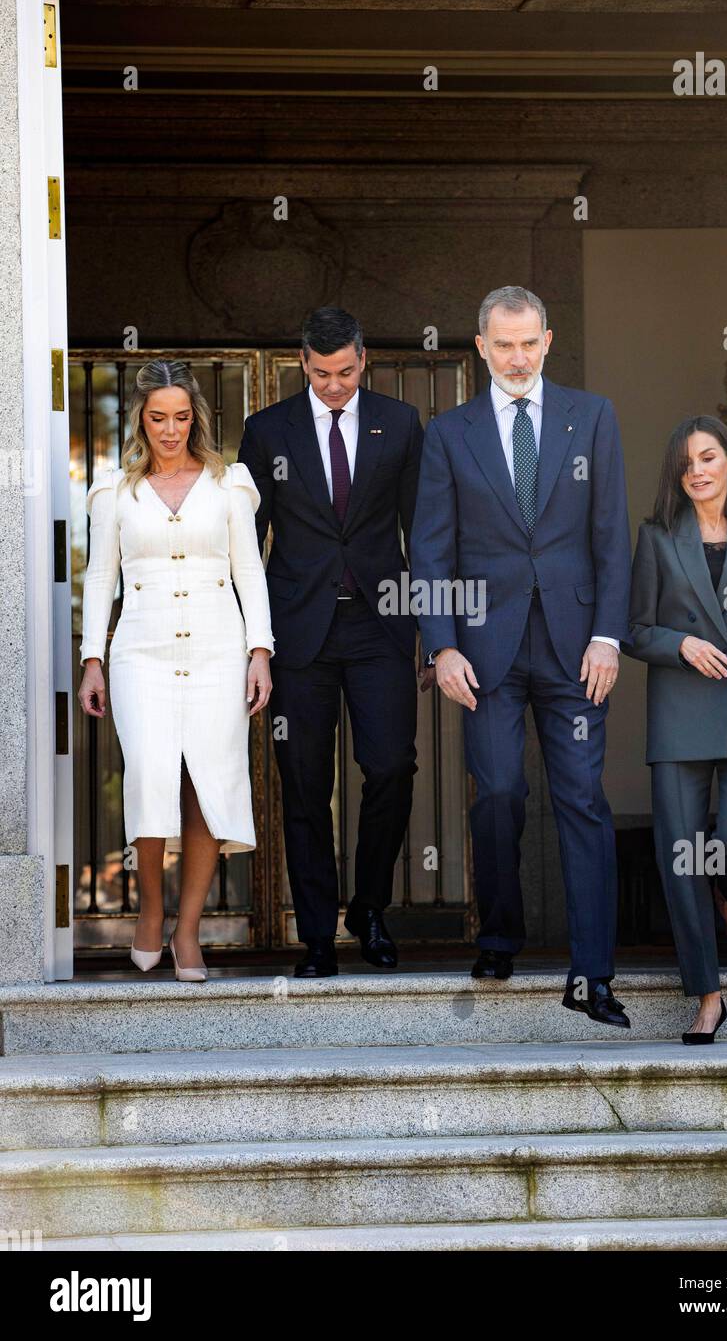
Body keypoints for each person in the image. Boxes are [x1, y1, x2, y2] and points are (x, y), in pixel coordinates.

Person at [411, 285, 632, 1027]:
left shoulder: (591, 415)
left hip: (576, 649)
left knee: (583, 802)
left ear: (547, 341)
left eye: (528, 342)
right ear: (480, 346)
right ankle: (499, 934)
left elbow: (610, 536)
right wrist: (440, 646)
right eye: (502, 344)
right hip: (485, 649)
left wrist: (609, 635)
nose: (516, 357)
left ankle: (594, 973)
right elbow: (432, 551)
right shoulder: (450, 433)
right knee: (500, 793)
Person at [239, 307, 424, 977]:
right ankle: (317, 934)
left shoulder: (400, 424)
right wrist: (251, 641)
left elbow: (421, 534)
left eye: (345, 371)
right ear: (302, 362)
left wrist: (434, 634)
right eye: (321, 374)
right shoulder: (266, 431)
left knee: (392, 768)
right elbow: (244, 544)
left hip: (379, 624)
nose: (335, 384)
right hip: (298, 632)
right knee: (304, 783)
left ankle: (369, 908)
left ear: (363, 358)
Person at [78, 359, 274, 981]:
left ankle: (187, 931)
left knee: (207, 786)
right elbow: (100, 577)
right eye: (159, 418)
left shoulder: (229, 484)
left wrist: (260, 651)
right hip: (141, 653)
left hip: (219, 649)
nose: (170, 430)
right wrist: (93, 661)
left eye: (182, 417)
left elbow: (250, 570)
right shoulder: (115, 492)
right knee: (151, 777)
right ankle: (150, 910)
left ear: (197, 418)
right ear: (140, 418)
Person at [622, 415, 727, 1043]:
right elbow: (636, 629)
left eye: (707, 458)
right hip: (679, 715)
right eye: (685, 463)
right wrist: (683, 645)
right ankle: (708, 996)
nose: (696, 470)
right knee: (680, 859)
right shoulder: (658, 537)